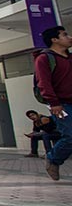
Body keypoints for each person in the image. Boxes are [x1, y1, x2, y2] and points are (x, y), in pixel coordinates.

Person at [35, 26, 72, 181]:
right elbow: (44, 83)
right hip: (61, 105)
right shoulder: (44, 58)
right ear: (54, 40)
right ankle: (53, 158)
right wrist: (54, 102)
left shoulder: (70, 58)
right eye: (65, 35)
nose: (69, 37)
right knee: (70, 136)